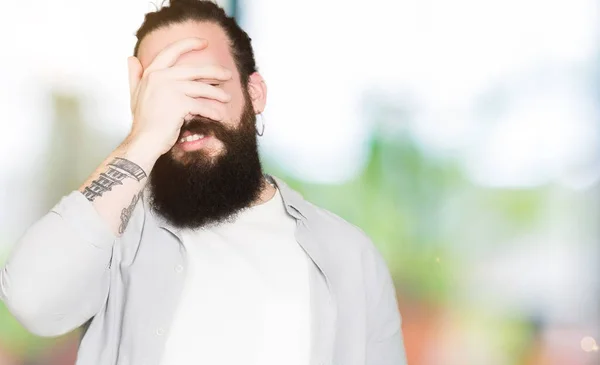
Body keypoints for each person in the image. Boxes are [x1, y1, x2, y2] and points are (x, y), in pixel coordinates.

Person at [0, 1, 407, 364]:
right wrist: (141, 139)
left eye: (207, 84)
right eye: (166, 92)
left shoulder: (351, 257)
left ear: (255, 93)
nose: (188, 110)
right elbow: (32, 301)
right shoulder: (114, 236)